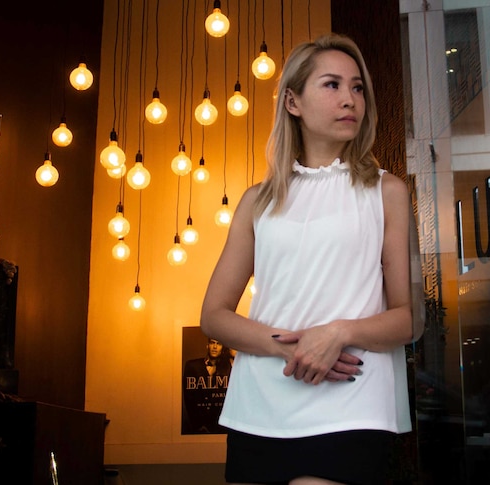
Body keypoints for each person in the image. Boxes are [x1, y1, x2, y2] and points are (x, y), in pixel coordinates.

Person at [200, 33, 424, 485]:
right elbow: (214, 316)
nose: (350, 99)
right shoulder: (256, 201)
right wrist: (295, 347)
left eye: (357, 87)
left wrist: (340, 333)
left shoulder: (387, 192)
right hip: (258, 406)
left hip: (352, 404)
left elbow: (411, 319)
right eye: (332, 85)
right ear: (292, 102)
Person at [182, 337, 232, 434]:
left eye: (219, 344)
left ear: (222, 348)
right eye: (212, 343)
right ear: (207, 346)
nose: (214, 347)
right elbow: (189, 398)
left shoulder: (228, 367)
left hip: (221, 427)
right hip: (198, 426)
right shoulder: (192, 366)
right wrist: (198, 425)